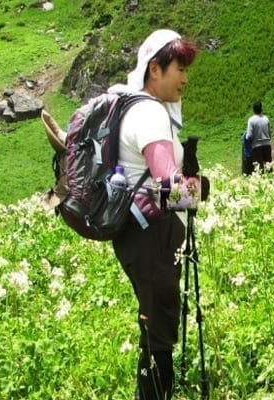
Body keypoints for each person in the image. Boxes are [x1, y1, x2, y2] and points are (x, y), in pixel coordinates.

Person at [107, 29, 198, 400]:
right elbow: (169, 189)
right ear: (155, 69)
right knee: (159, 332)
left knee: (153, 324)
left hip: (136, 233)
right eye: (179, 68)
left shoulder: (130, 107)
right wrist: (199, 190)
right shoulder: (149, 114)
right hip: (152, 235)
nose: (185, 78)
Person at [244, 100, 272, 174]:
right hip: (267, 145)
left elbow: (249, 136)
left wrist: (246, 137)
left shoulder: (251, 120)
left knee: (259, 169)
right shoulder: (266, 119)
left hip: (257, 147)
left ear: (253, 110)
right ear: (261, 109)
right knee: (269, 166)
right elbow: (269, 133)